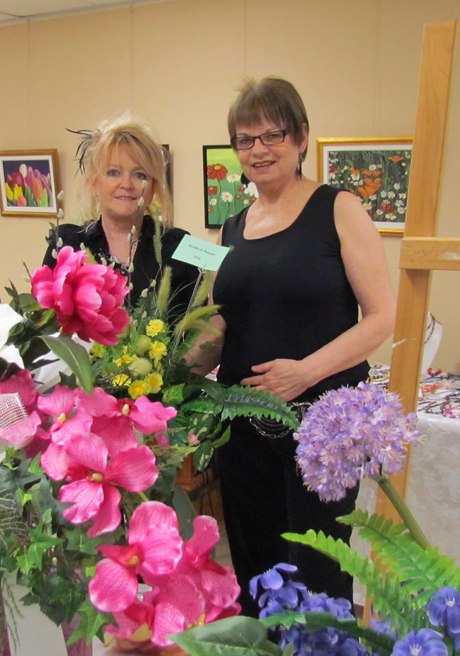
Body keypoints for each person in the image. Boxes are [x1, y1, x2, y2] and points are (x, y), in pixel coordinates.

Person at [194, 77, 396, 616]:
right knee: (257, 566)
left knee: (319, 569)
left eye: (273, 135)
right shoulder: (230, 228)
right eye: (245, 139)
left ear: (302, 137)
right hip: (242, 428)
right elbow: (217, 328)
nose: (259, 149)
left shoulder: (338, 208)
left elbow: (381, 319)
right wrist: (166, 365)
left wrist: (305, 372)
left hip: (322, 423)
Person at [43, 114, 200, 322]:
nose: (127, 184)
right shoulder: (68, 245)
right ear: (94, 181)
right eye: (114, 172)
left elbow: (202, 325)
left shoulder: (180, 245)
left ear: (153, 187)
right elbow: (45, 326)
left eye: (140, 175)